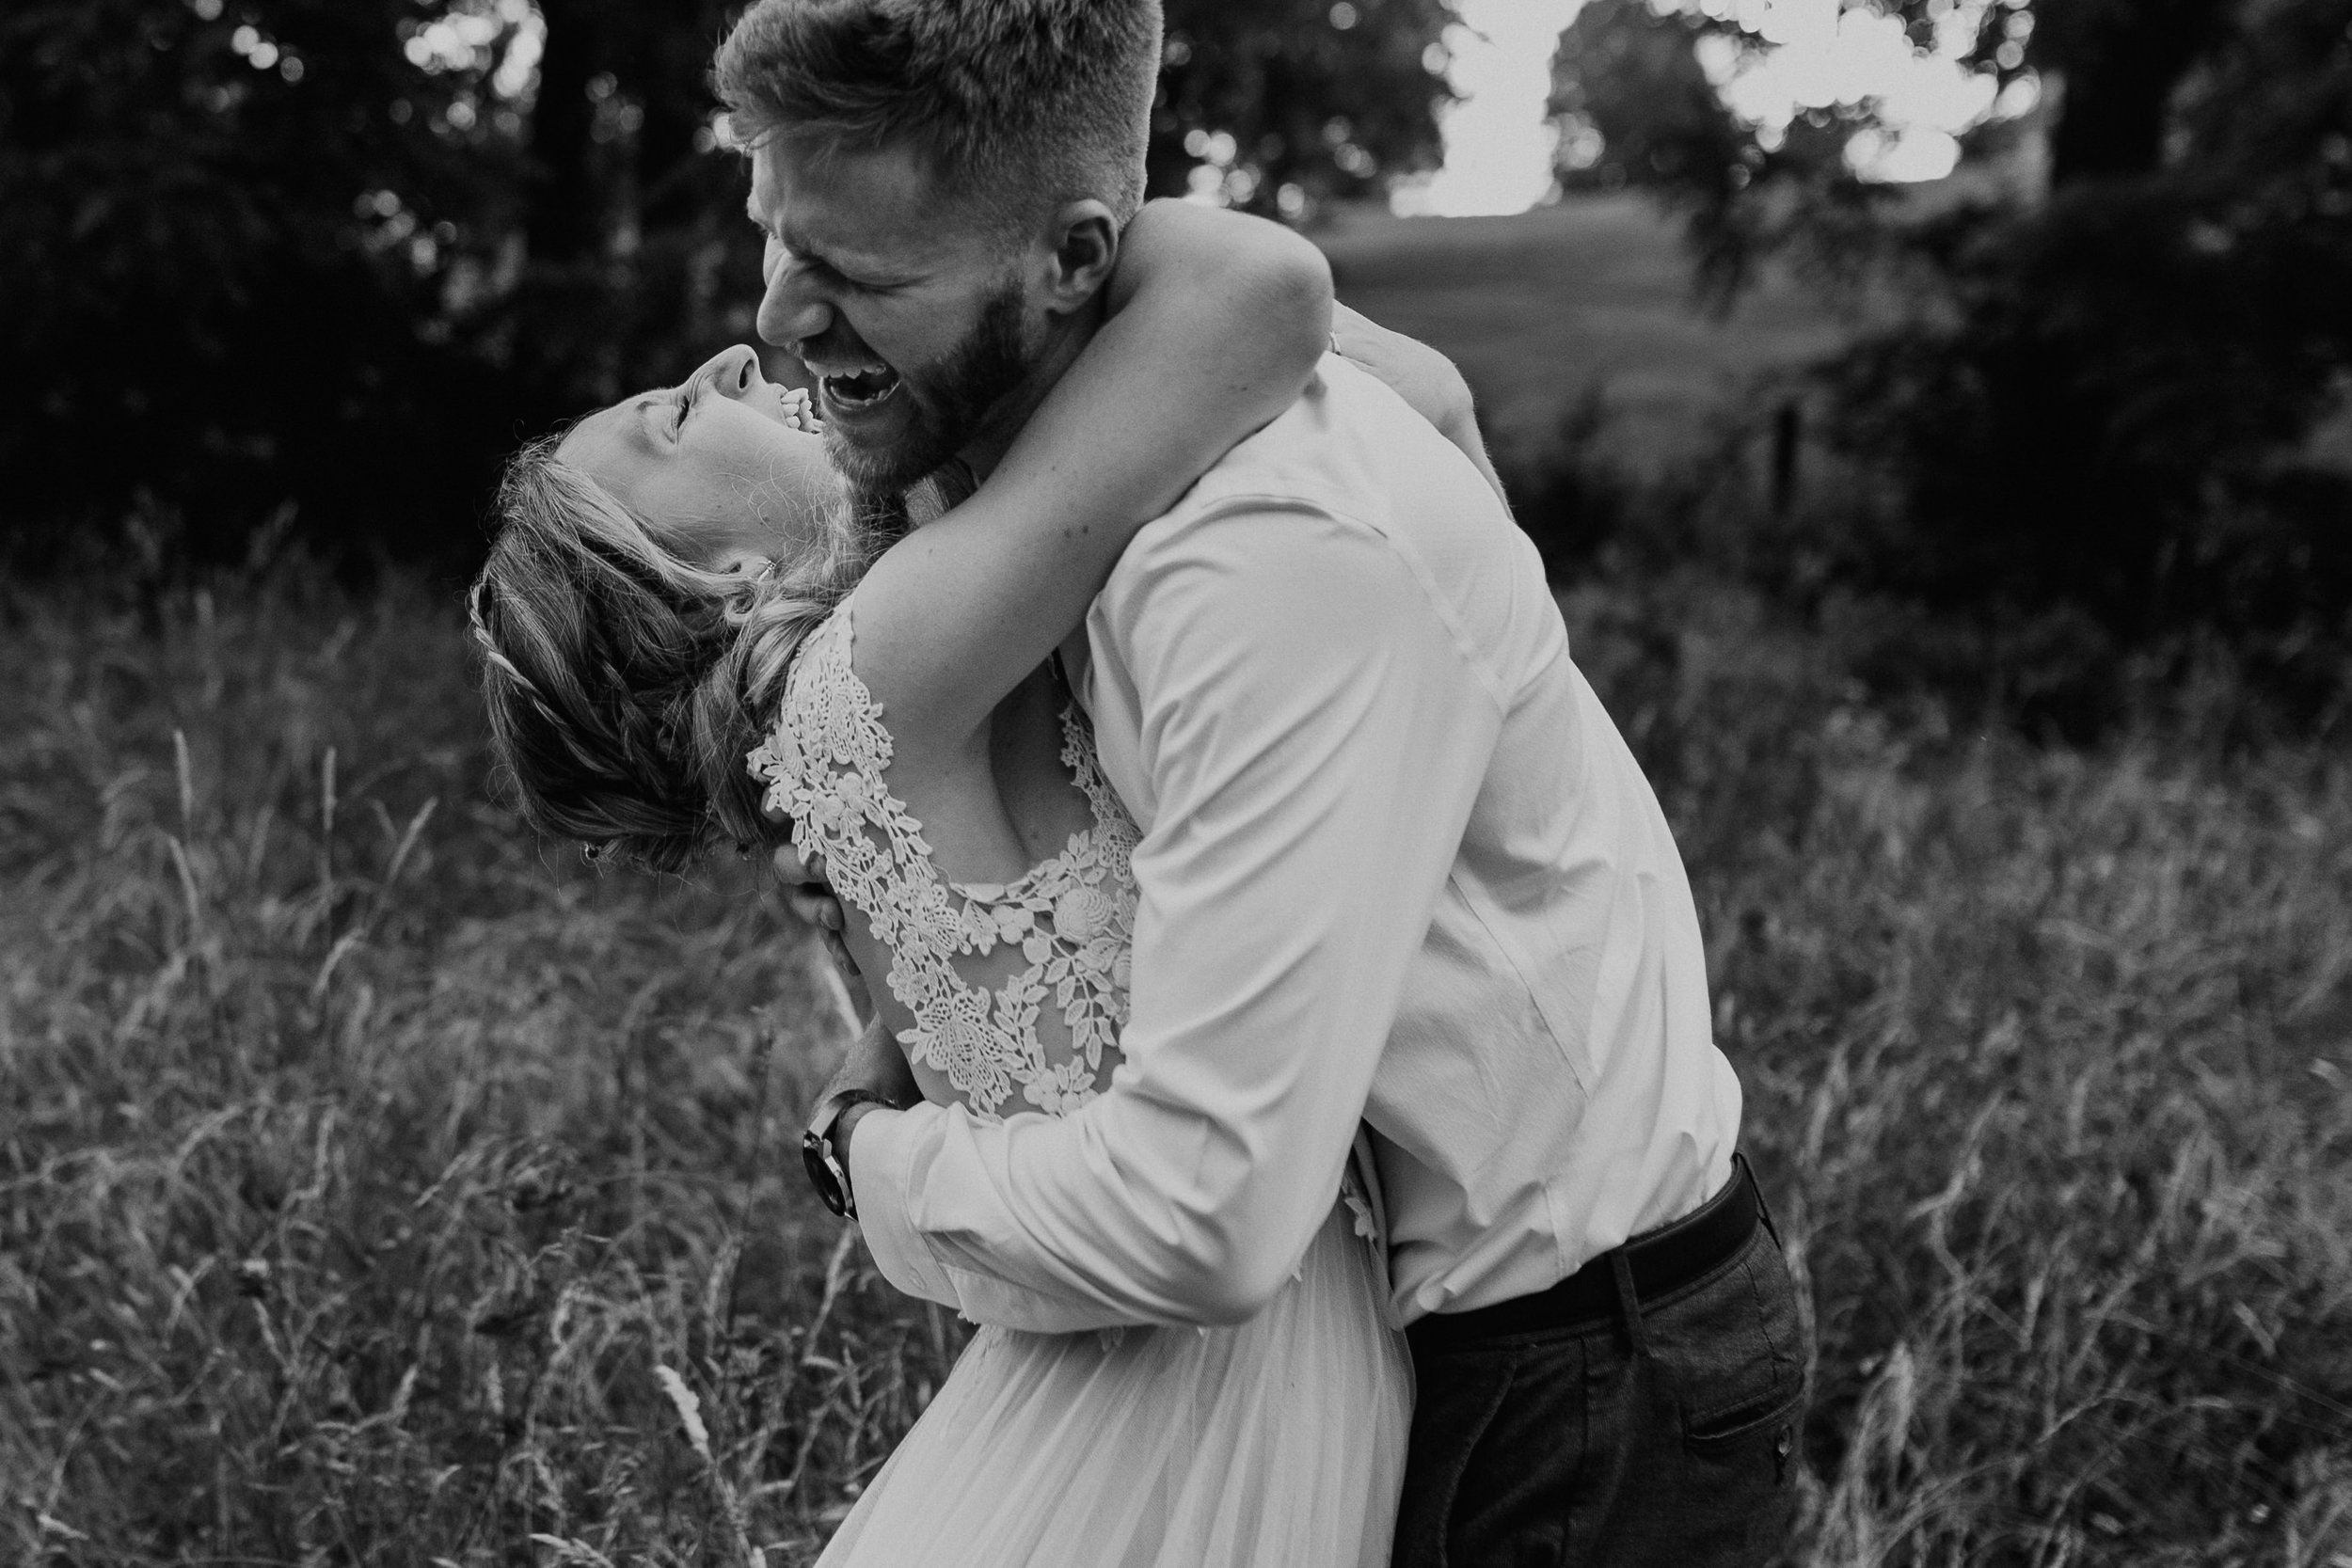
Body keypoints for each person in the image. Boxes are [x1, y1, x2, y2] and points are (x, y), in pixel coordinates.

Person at [719, 2, 1810, 1565]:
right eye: (777, 237)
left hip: (1579, 1381)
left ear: (1079, 258)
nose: (780, 319)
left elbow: (1204, 1209)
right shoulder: (1072, 471)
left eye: (862, 279)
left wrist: (862, 1160)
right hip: (1412, 1333)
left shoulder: (1263, 561)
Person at [471, 198, 1506, 1563]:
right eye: (675, 418)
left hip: (1182, 1387)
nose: (733, 363)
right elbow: (1261, 287)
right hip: (1208, 1396)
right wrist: (1023, 219)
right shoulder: (894, 661)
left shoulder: (885, 700)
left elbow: (1416, 392)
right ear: (717, 580)